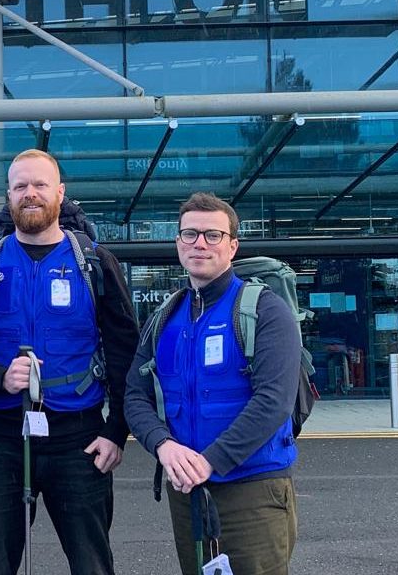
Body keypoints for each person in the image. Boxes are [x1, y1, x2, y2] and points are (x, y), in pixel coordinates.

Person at [0, 149, 139, 575]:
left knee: (92, 563)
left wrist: (116, 432)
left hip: (79, 435)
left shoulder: (94, 262)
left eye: (40, 185)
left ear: (60, 193)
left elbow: (126, 350)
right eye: (20, 186)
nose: (30, 194)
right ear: (8, 195)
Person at [124, 192, 301, 574]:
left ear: (233, 245)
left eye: (212, 235)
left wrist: (210, 462)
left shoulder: (266, 311)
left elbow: (274, 401)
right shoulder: (164, 318)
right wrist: (163, 446)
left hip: (252, 490)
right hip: (187, 492)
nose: (199, 243)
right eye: (189, 234)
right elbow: (134, 396)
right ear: (177, 243)